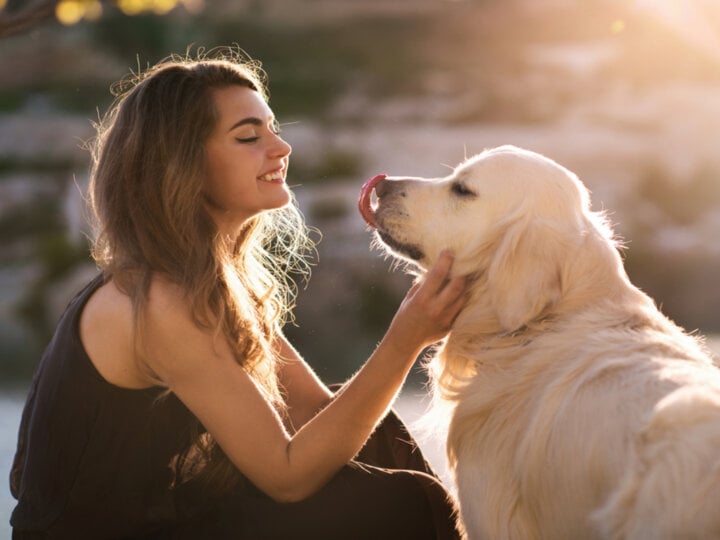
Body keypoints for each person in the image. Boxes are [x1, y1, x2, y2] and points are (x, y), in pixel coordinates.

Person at [9, 49, 468, 539]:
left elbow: (313, 410)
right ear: (182, 165)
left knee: (379, 432)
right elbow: (288, 477)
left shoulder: (208, 281)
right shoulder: (157, 300)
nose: (281, 147)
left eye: (273, 128)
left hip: (177, 518)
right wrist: (406, 339)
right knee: (405, 503)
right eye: (250, 136)